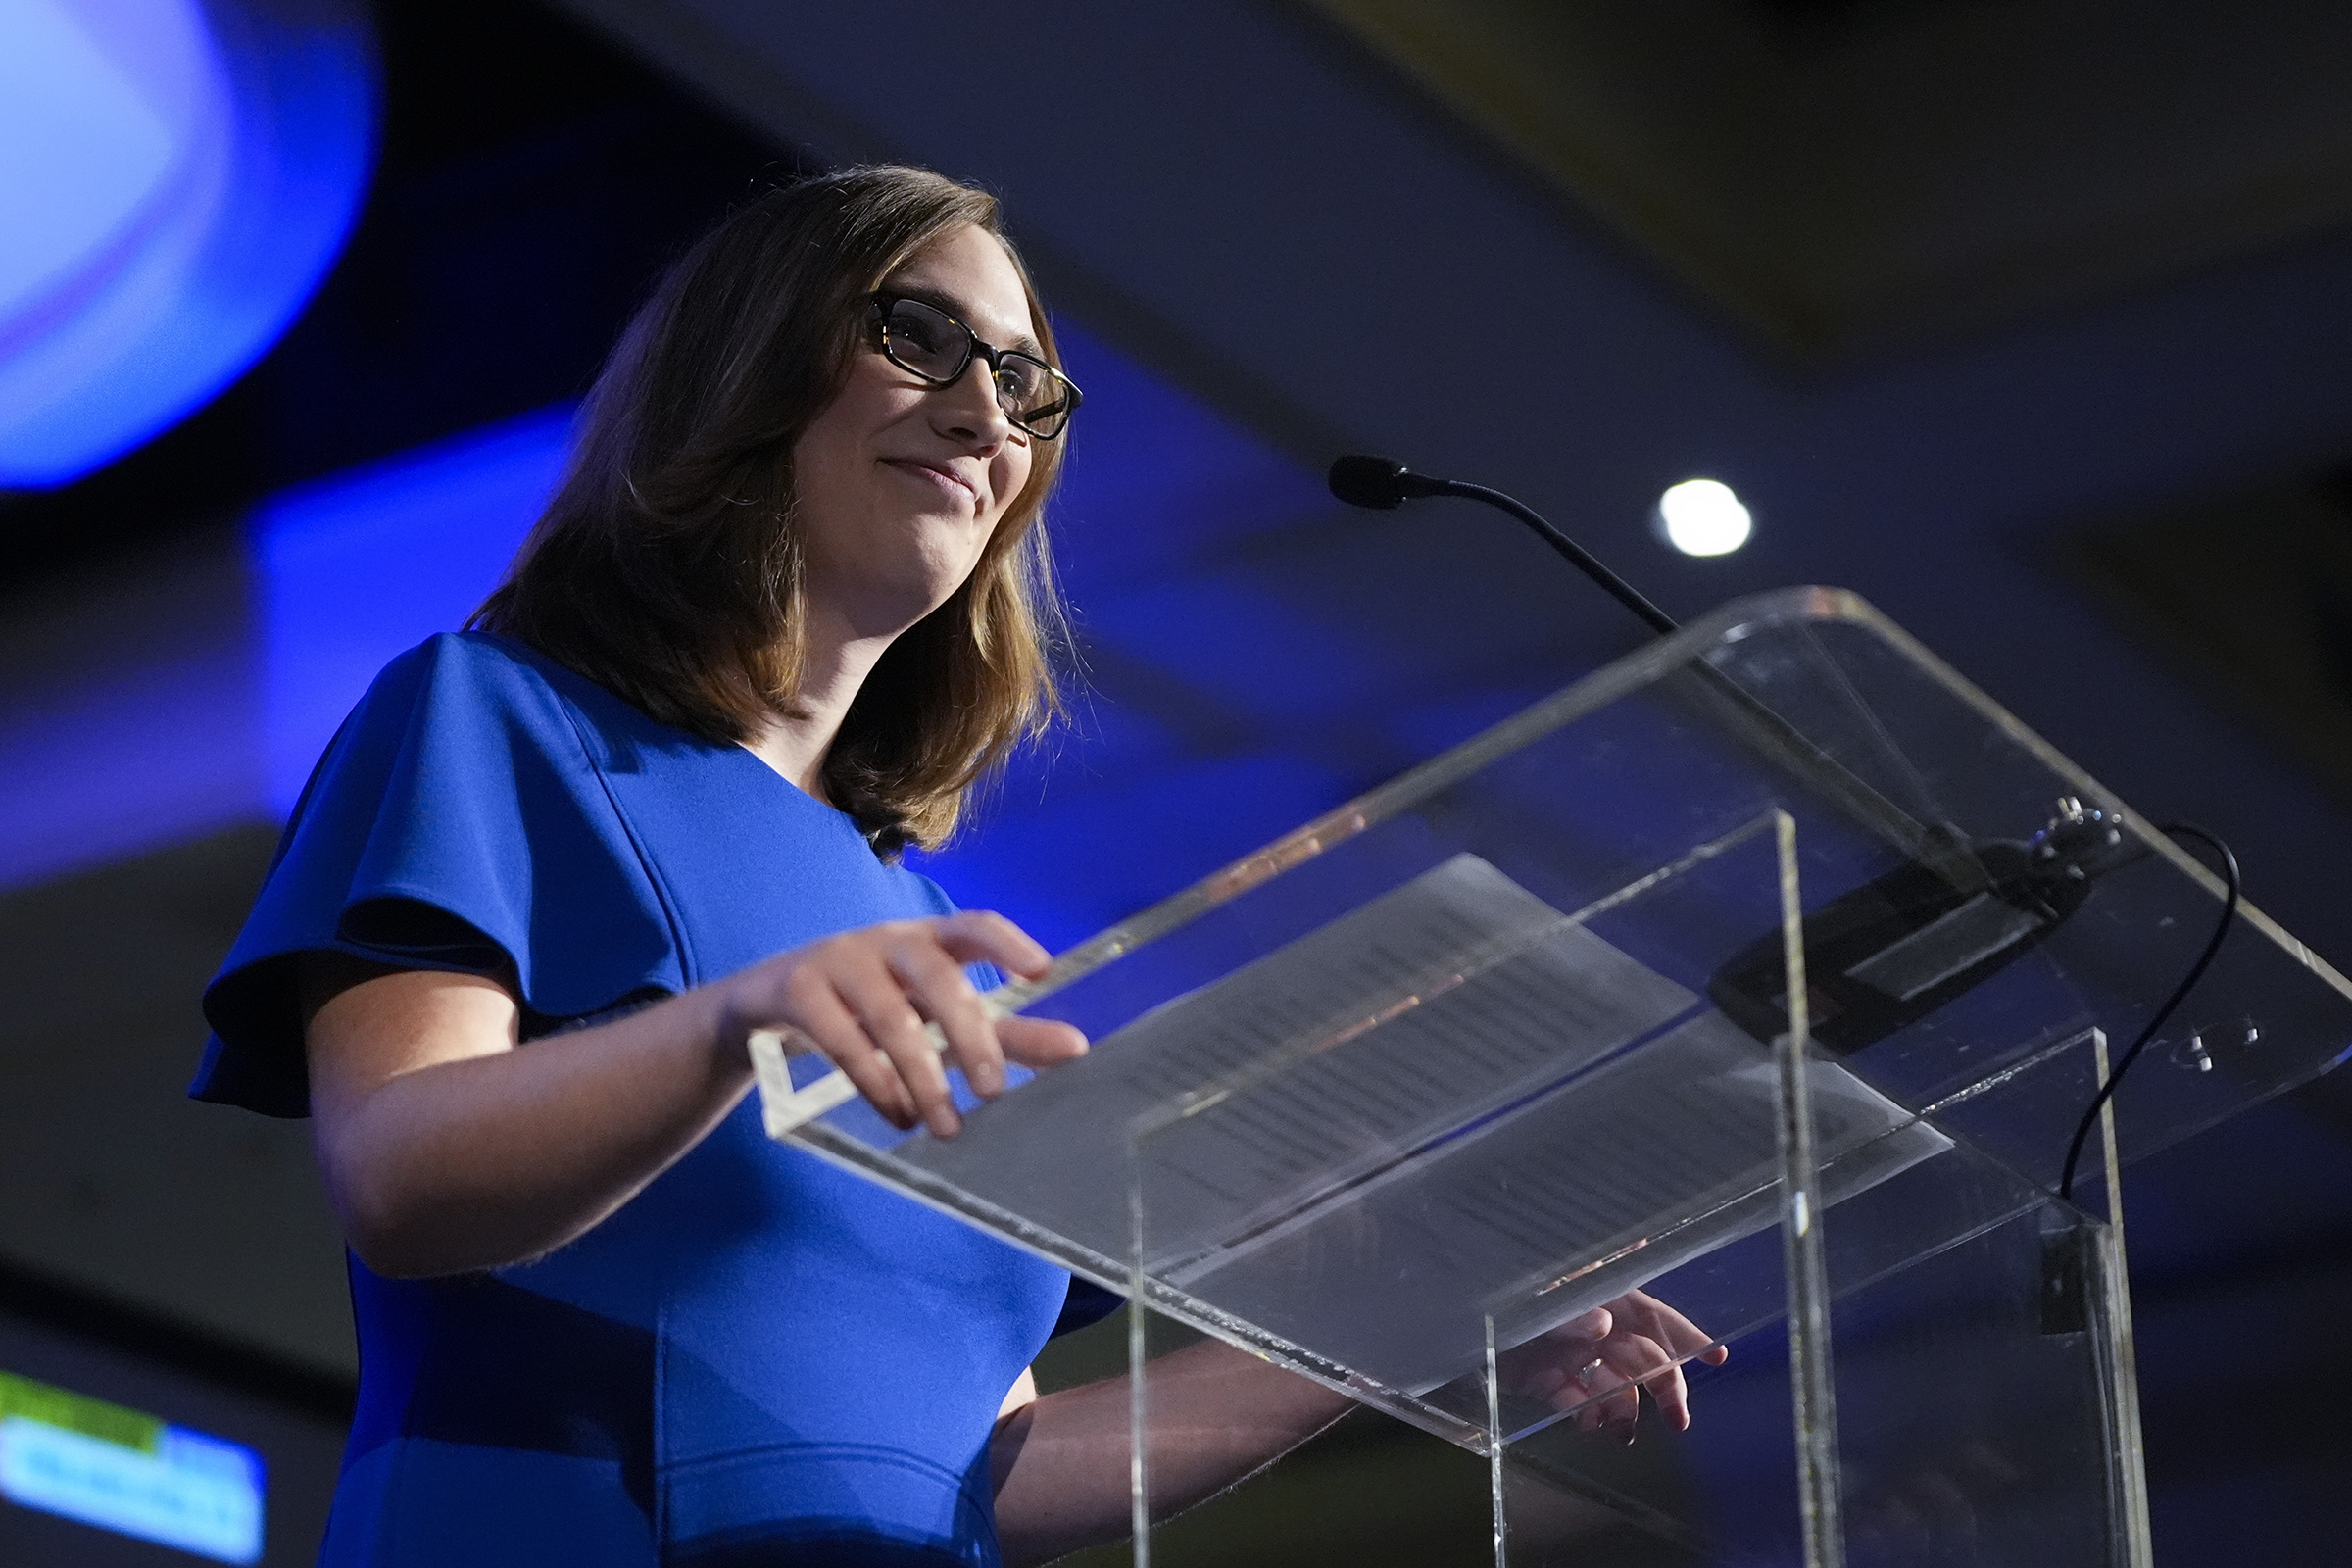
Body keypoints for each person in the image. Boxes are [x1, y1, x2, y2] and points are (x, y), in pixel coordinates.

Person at [193, 165, 1717, 1568]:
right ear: (747, 366)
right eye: (920, 336)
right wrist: (744, 1018)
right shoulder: (491, 718)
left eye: (1028, 385)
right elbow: (397, 1173)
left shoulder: (911, 926)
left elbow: (976, 1467)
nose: (989, 417)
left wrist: (1414, 1326)